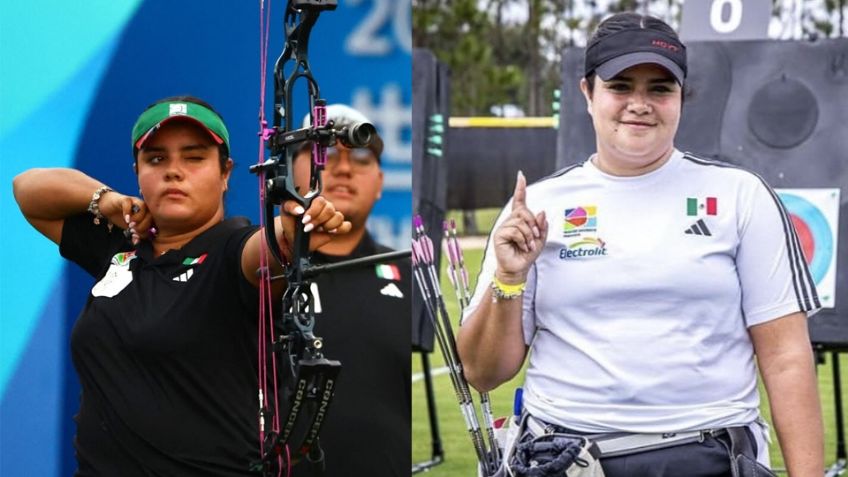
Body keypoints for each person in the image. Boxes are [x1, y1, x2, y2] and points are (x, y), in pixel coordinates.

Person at [457, 13, 824, 477]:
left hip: (709, 455)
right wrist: (509, 279)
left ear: (681, 99)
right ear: (587, 93)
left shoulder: (740, 196)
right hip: (564, 458)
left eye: (660, 88)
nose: (640, 103)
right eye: (621, 86)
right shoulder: (537, 208)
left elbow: (787, 357)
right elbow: (483, 372)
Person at [12, 96, 351, 476]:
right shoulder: (123, 247)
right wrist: (105, 201)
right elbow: (27, 189)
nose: (174, 171)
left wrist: (293, 232)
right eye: (156, 159)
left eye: (194, 157)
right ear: (137, 172)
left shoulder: (231, 250)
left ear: (225, 173)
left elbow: (269, 250)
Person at [290, 104, 411, 476]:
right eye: (324, 154)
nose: (342, 168)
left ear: (379, 183)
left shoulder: (409, 273)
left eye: (359, 156)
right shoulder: (256, 272)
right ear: (292, 171)